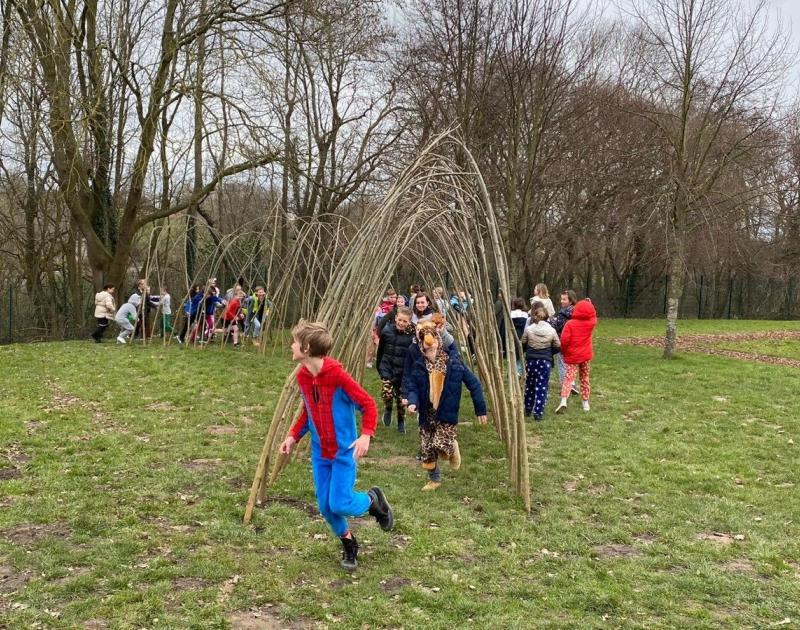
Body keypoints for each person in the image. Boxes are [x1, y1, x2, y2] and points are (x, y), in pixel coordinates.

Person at [279, 321, 394, 571]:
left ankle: (373, 500)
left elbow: (368, 404)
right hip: (321, 453)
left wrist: (366, 435)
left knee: (340, 503)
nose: (291, 345)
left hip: (343, 452)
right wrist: (292, 436)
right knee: (325, 507)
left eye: (295, 342)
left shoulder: (338, 377)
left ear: (306, 348)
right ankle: (349, 543)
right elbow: (308, 413)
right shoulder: (303, 376)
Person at [403, 314, 487, 491]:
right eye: (427, 348)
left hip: (447, 412)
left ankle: (451, 445)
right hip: (427, 413)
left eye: (434, 344)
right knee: (427, 449)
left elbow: (474, 384)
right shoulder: (419, 366)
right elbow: (413, 387)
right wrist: (412, 402)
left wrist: (481, 409)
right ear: (422, 348)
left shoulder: (454, 363)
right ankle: (435, 479)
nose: (431, 348)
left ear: (439, 342)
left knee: (439, 443)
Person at [375, 306, 415, 432]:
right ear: (396, 317)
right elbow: (380, 351)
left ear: (409, 322)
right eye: (400, 320)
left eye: (405, 321)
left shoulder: (412, 336)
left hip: (403, 371)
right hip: (387, 367)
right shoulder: (387, 331)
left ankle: (401, 420)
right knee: (386, 392)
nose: (401, 323)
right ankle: (388, 408)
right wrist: (380, 367)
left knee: (401, 399)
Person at [556, 298, 597, 414]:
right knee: (584, 378)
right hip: (585, 356)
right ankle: (585, 403)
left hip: (572, 357)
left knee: (568, 378)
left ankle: (563, 400)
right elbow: (594, 316)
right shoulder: (591, 323)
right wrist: (590, 304)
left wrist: (564, 352)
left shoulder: (570, 324)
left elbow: (564, 340)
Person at [520, 305, 560, 421]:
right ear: (547, 317)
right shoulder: (552, 331)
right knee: (542, 387)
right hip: (545, 361)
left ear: (534, 317)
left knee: (530, 385)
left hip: (531, 360)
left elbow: (523, 342)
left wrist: (528, 350)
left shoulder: (529, 329)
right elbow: (558, 345)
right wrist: (549, 353)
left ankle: (527, 407)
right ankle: (538, 412)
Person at [549, 289, 578, 394]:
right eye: (561, 299)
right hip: (574, 342)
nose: (562, 301)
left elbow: (556, 327)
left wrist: (551, 321)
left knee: (562, 363)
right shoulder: (577, 312)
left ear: (571, 301)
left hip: (563, 342)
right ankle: (572, 383)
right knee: (570, 364)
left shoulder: (563, 314)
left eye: (564, 299)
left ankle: (565, 385)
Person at [367, 290, 397, 368]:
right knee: (374, 345)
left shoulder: (396, 307)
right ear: (387, 297)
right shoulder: (382, 307)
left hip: (389, 329)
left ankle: (382, 361)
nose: (393, 299)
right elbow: (375, 318)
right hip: (379, 328)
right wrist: (373, 329)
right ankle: (369, 360)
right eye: (391, 297)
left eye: (395, 297)